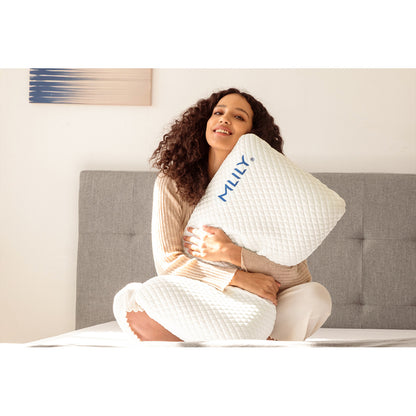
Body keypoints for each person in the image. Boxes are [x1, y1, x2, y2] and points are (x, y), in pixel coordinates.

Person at [124, 88, 332, 341]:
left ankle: (233, 339)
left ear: (253, 136)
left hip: (258, 302)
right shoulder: (172, 183)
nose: (224, 119)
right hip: (202, 293)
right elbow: (168, 263)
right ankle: (252, 342)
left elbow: (297, 276)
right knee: (133, 297)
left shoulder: (270, 188)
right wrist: (238, 278)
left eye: (239, 117)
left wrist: (231, 253)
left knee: (315, 297)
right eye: (218, 112)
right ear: (205, 123)